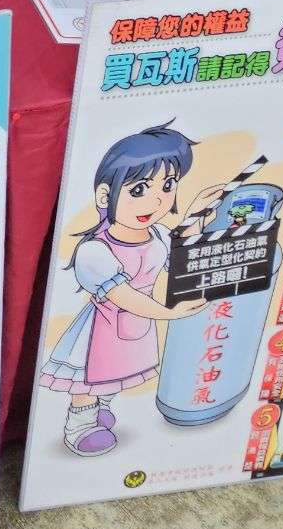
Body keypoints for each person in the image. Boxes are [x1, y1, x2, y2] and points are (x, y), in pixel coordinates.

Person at [38, 124, 206, 457]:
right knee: (88, 378)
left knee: (118, 369)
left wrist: (197, 212)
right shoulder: (94, 251)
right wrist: (168, 313)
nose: (157, 200)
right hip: (100, 328)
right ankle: (79, 426)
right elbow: (123, 295)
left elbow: (180, 256)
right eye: (139, 188)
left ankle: (100, 408)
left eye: (168, 185)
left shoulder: (158, 234)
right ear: (105, 196)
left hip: (137, 323)